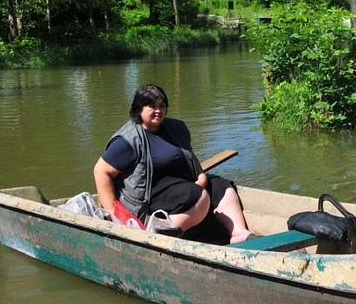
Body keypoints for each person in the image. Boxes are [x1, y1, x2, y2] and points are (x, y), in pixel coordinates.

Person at [93, 84, 254, 244]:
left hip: (181, 185)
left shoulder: (176, 127)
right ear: (138, 110)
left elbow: (189, 156)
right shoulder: (128, 140)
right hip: (148, 194)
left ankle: (239, 233)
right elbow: (101, 172)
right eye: (152, 106)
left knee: (222, 186)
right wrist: (113, 212)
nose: (158, 110)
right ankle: (158, 233)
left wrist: (201, 177)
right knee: (199, 196)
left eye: (162, 106)